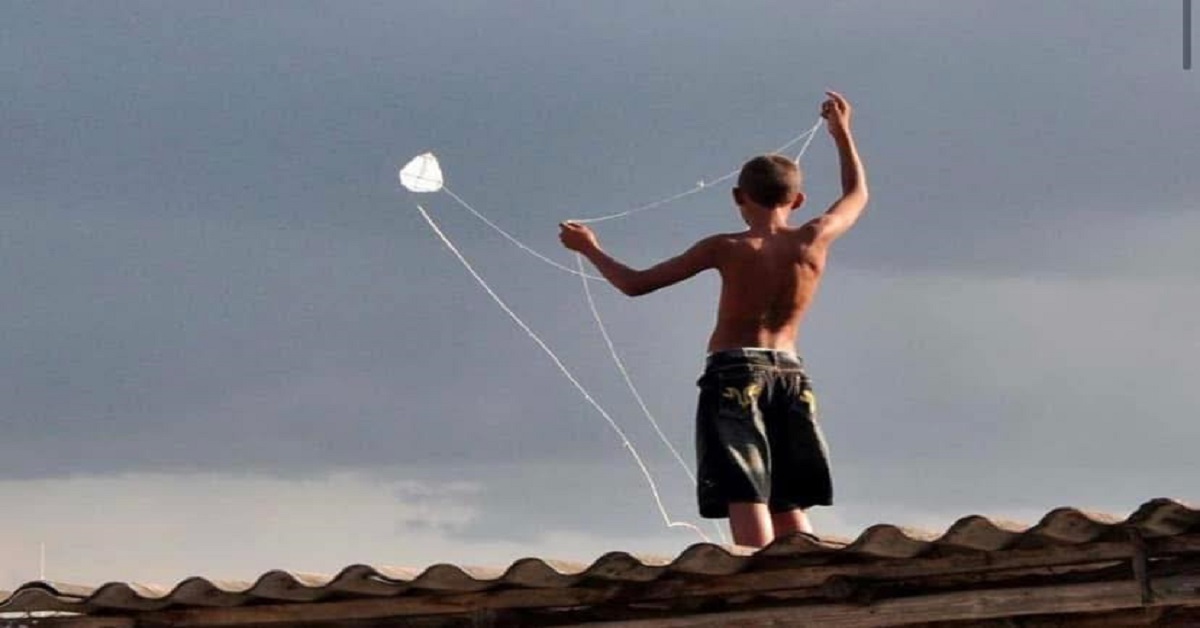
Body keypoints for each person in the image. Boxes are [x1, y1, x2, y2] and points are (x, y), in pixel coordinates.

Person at [559, 92, 868, 547]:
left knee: (746, 490)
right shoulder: (813, 239)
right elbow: (857, 195)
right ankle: (808, 573)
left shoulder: (725, 247)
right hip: (790, 373)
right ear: (799, 199)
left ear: (738, 197)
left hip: (734, 374)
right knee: (788, 498)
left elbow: (635, 284)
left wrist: (589, 249)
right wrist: (842, 134)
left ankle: (756, 579)